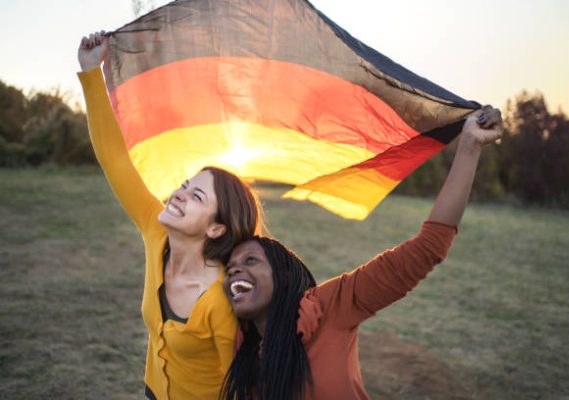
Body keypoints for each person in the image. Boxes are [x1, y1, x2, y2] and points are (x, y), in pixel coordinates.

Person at [222, 106, 503, 399]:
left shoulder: (331, 306)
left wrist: (469, 146)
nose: (234, 271)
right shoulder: (242, 346)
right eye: (230, 268)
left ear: (282, 275)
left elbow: (429, 245)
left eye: (250, 260)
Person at [78, 32, 263, 400]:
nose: (179, 192)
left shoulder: (222, 299)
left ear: (216, 228)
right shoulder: (155, 232)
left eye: (196, 195)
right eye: (184, 184)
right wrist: (90, 73)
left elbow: (240, 388)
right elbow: (115, 160)